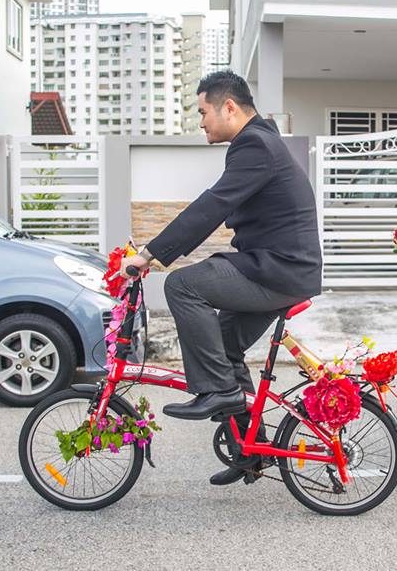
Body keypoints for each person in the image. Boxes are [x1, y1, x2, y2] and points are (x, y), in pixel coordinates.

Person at [121, 70, 323, 484]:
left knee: (182, 284)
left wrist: (150, 254)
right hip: (278, 268)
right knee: (226, 348)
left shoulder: (255, 145)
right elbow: (218, 206)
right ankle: (249, 452)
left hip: (278, 270)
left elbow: (212, 205)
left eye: (202, 112)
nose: (200, 122)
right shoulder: (259, 143)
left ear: (228, 107)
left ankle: (216, 391)